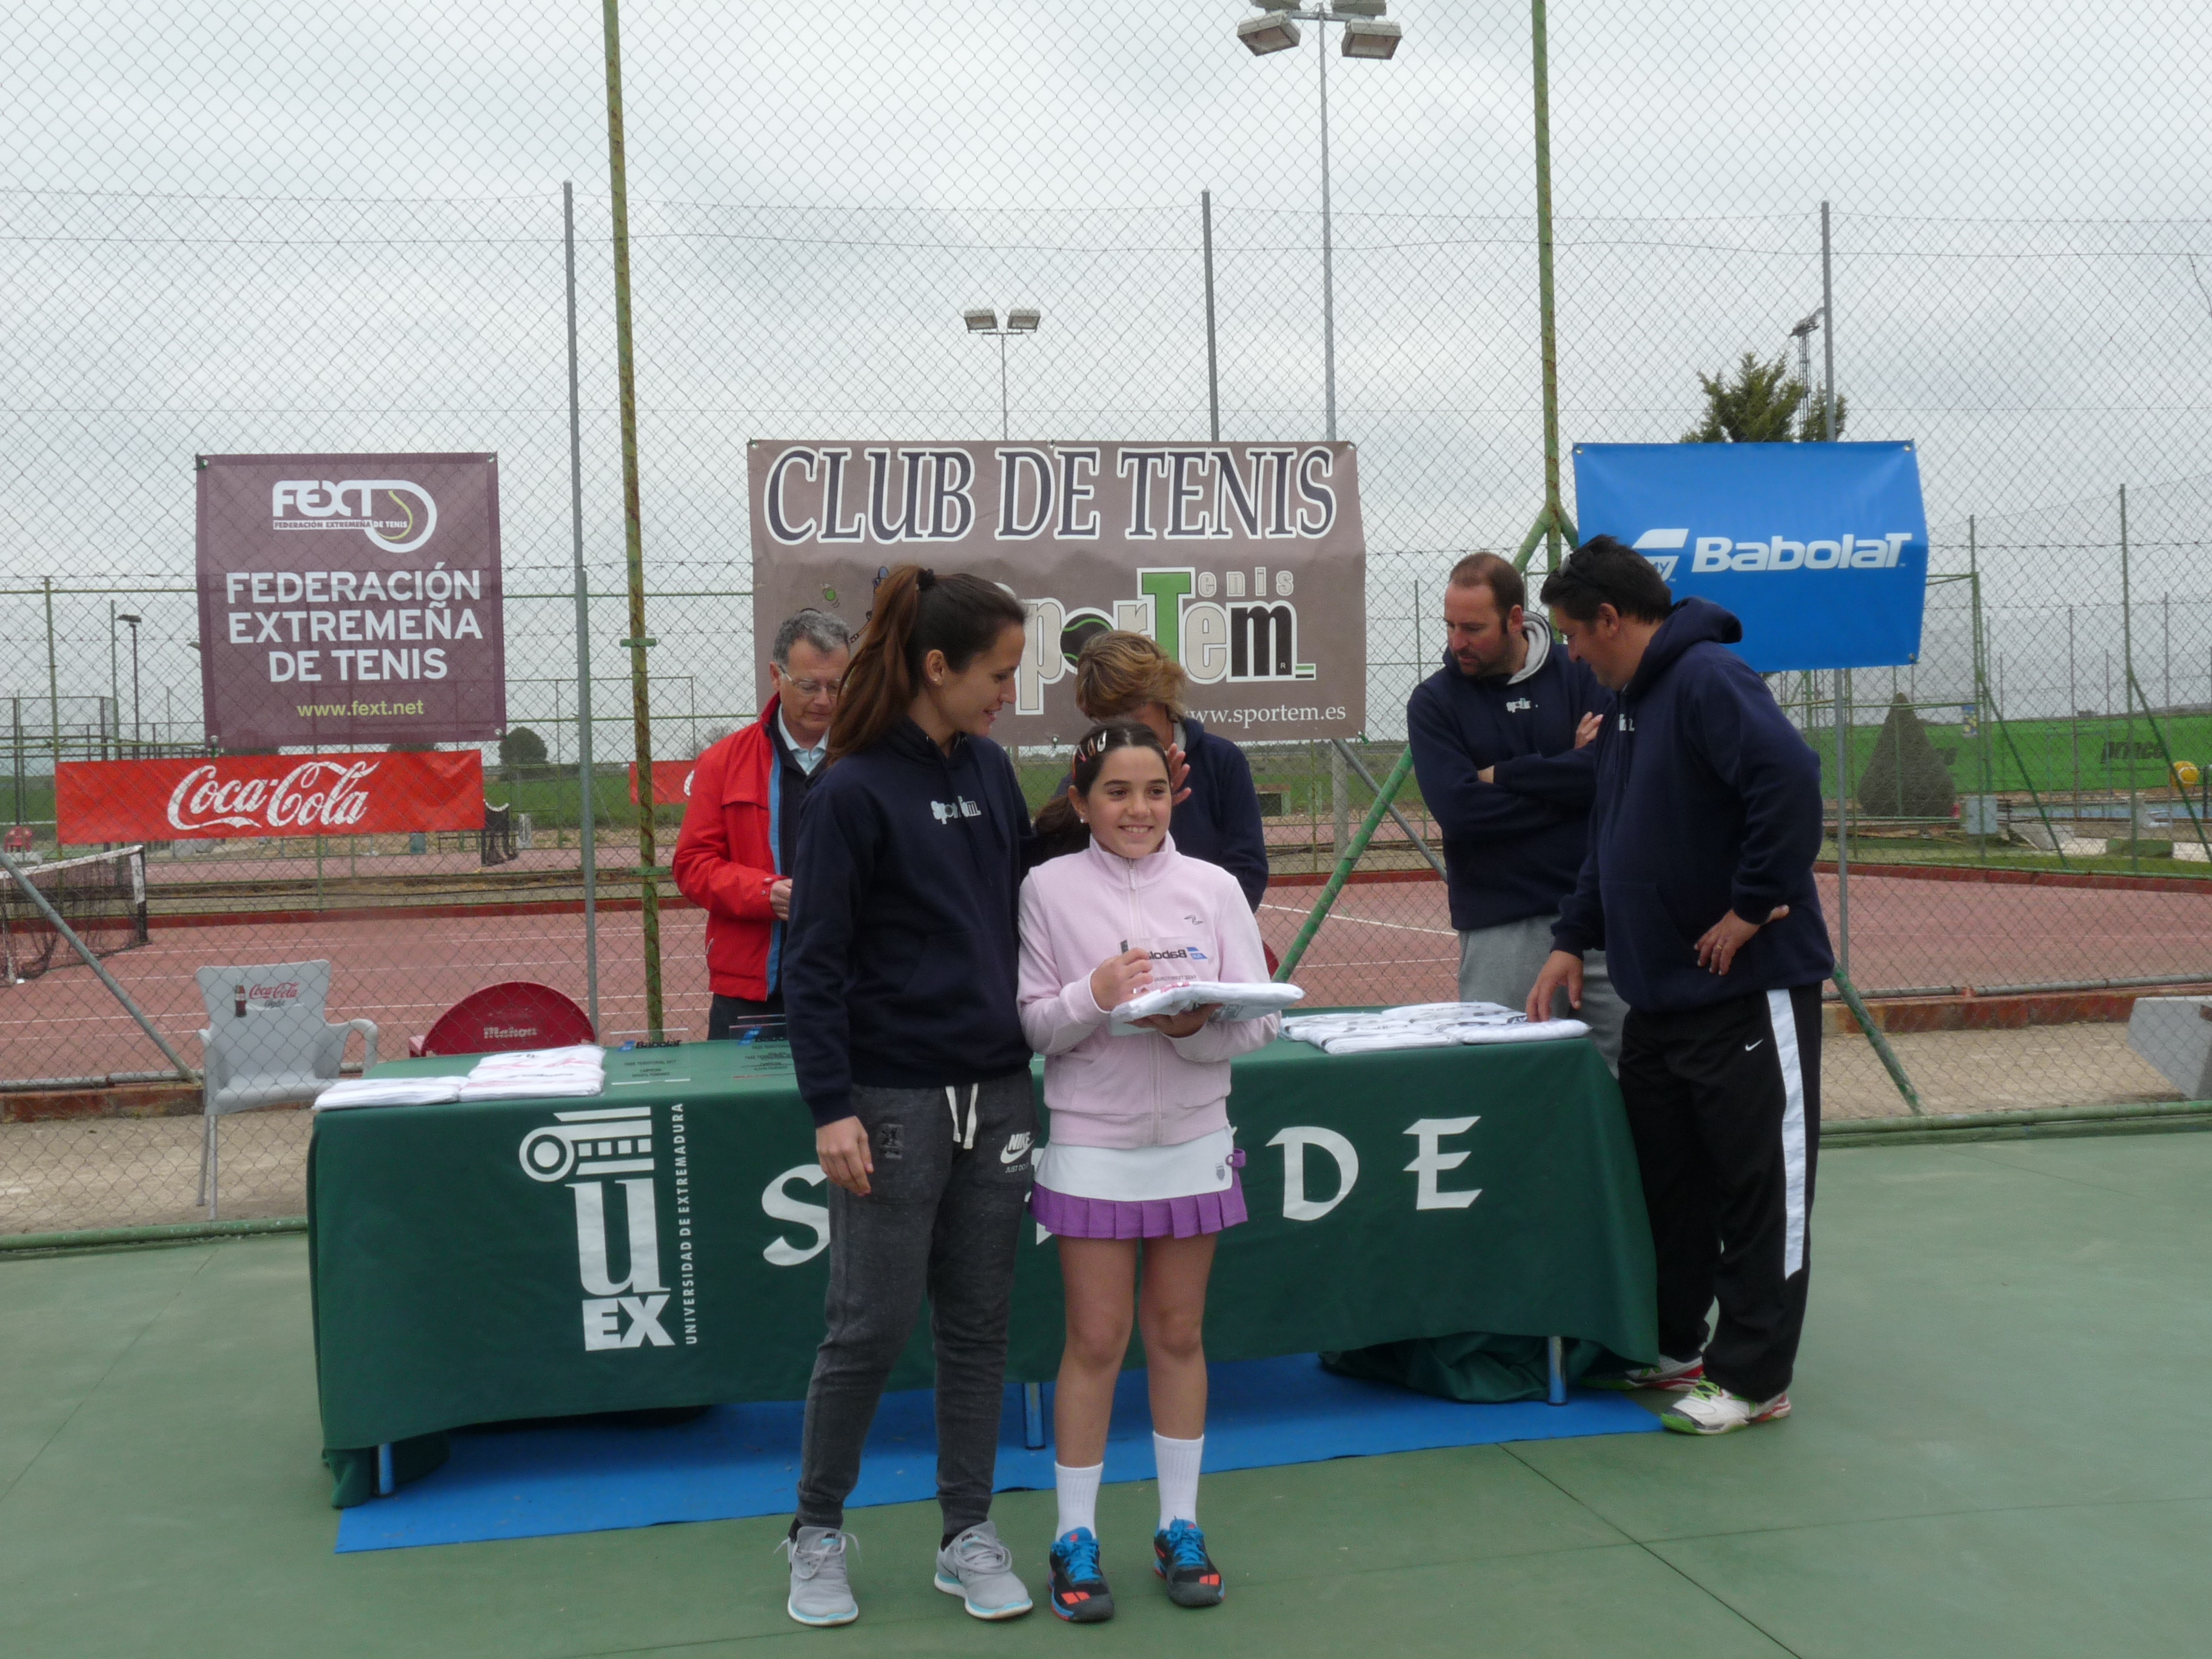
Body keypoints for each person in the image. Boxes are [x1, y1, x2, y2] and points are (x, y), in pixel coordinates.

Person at [777, 566, 1038, 1627]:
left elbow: (1022, 897)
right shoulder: (849, 791)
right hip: (888, 1101)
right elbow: (813, 964)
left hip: (999, 1094)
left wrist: (1110, 816)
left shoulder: (991, 770)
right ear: (937, 666)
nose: (1008, 693)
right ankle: (814, 1531)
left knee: (977, 1327)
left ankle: (966, 1532)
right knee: (869, 1328)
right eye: (998, 674)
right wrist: (829, 1107)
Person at [1527, 536, 1833, 1436]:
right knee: (1667, 1184)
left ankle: (1754, 1378)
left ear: (1611, 619)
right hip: (1660, 998)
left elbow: (1791, 779)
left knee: (1760, 1192)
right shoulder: (1627, 703)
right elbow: (1611, 835)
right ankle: (1672, 1346)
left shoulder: (1708, 679)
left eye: (1573, 636)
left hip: (1747, 989)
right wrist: (1572, 938)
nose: (1571, 655)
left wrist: (1752, 905)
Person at [1016, 721, 1278, 1623]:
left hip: (1196, 1141)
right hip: (1092, 1144)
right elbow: (1033, 1025)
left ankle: (1180, 1526)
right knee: (1096, 1340)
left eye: (1156, 791)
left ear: (1178, 796)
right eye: (1118, 792)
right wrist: (1094, 996)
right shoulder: (1046, 889)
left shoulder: (1214, 887)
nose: (1139, 810)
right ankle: (1073, 1536)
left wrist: (1193, 1029)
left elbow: (1260, 1020)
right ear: (1082, 801)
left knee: (1177, 1333)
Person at [1407, 552, 1626, 1067]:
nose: (1457, 641)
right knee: (1509, 1079)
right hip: (1500, 924)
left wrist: (1503, 775)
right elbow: (1462, 812)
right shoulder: (1434, 702)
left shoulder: (1582, 671)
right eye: (1450, 626)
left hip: (1600, 917)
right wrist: (1568, 776)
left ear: (1514, 619)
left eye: (1473, 628)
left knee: (1632, 1074)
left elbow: (1612, 775)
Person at [671, 608, 851, 1040]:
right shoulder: (722, 762)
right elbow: (692, 866)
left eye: (836, 686)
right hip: (751, 992)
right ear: (776, 676)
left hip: (851, 987)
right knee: (744, 1088)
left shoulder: (870, 761)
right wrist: (766, 894)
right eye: (809, 686)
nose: (824, 700)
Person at [1069, 631, 1269, 910]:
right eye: (1110, 719)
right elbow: (1065, 870)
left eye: (1134, 712)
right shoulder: (1089, 772)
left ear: (1163, 696)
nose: (1126, 730)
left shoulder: (1221, 760)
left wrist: (1190, 926)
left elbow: (1247, 868)